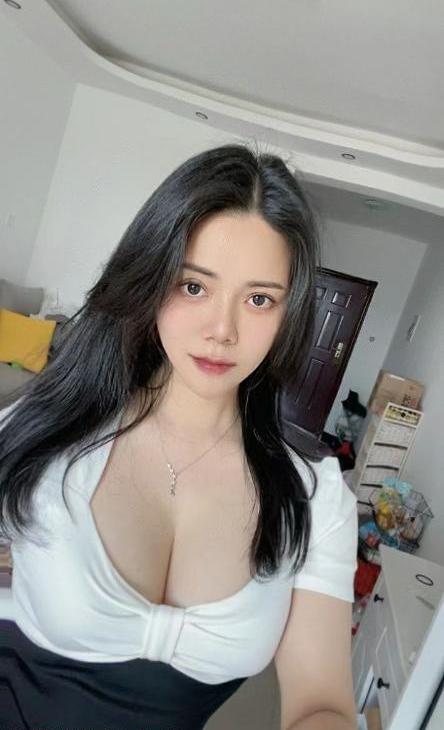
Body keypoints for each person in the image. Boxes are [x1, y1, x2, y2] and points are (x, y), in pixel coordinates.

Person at [0, 143, 358, 730]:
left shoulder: (313, 499)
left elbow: (321, 702)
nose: (222, 330)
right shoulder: (52, 429)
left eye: (259, 299)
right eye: (194, 287)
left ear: (287, 314)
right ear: (151, 279)